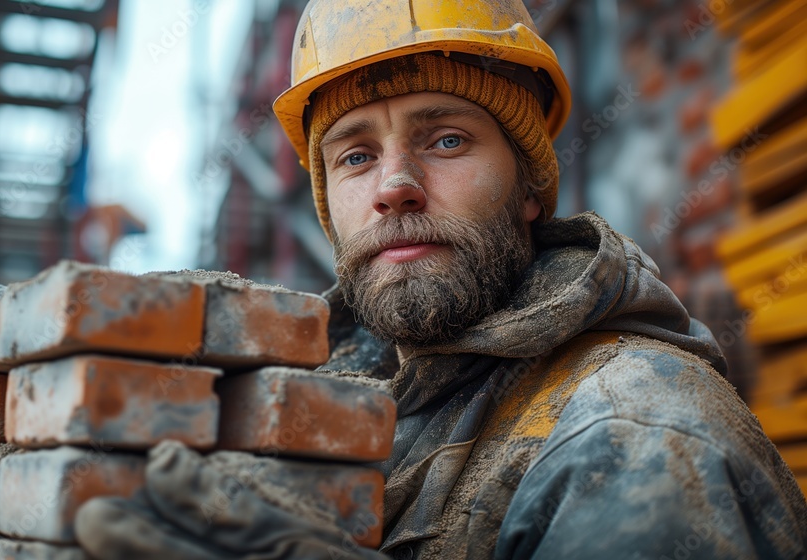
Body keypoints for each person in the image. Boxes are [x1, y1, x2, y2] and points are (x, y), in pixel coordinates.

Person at [73, 0, 807, 558]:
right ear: (329, 210)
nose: (395, 185)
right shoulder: (313, 405)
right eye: (355, 156)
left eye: (447, 139)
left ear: (529, 190)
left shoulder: (638, 434)